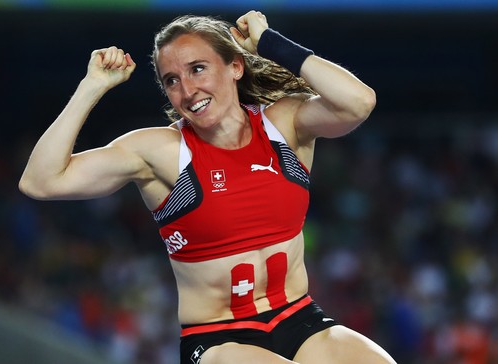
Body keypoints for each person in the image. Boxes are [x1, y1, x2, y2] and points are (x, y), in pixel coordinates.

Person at [19, 10, 396, 364]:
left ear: (235, 66)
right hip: (219, 340)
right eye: (172, 80)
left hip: (300, 320)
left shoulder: (284, 125)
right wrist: (92, 87)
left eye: (198, 69)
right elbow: (41, 181)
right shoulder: (162, 152)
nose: (187, 90)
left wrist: (270, 42)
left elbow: (358, 103)